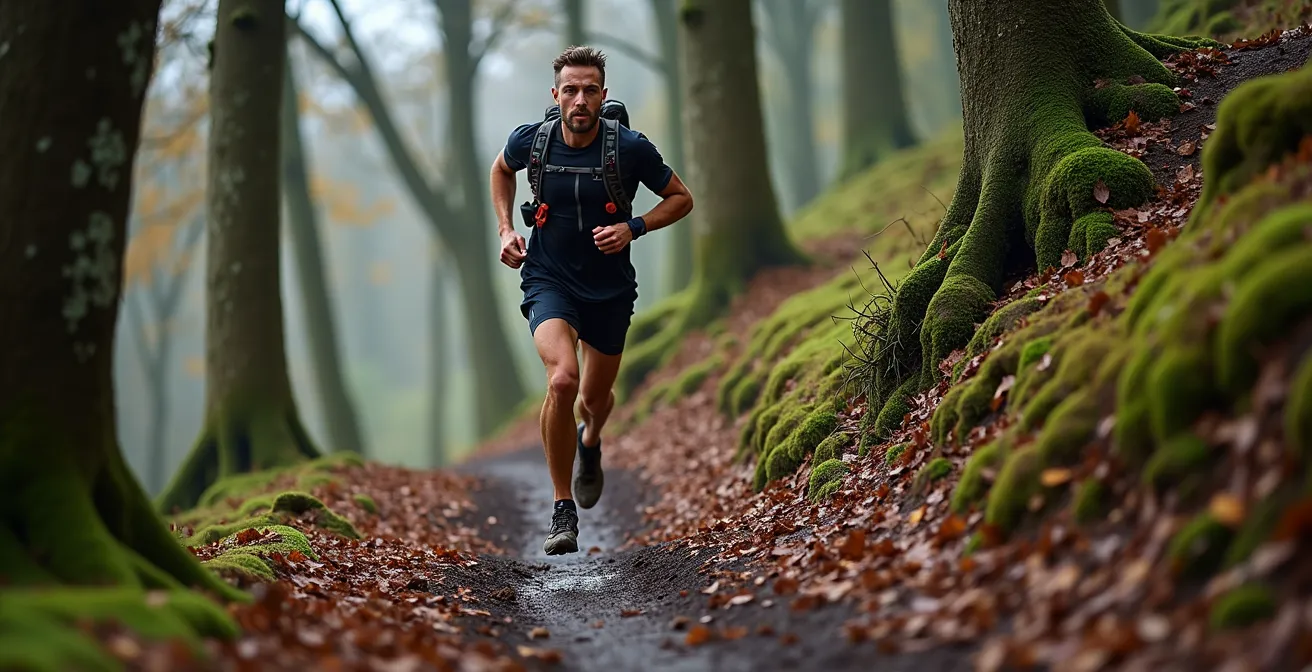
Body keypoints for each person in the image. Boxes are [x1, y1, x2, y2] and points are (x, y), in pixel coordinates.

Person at [489, 46, 694, 555]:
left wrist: (634, 227)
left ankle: (591, 440)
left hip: (609, 288)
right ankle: (562, 510)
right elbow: (500, 169)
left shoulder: (628, 148)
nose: (580, 100)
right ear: (555, 94)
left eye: (590, 90)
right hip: (548, 277)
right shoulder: (530, 142)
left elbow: (682, 198)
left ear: (603, 95)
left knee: (593, 400)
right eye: (571, 89)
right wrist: (505, 229)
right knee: (562, 380)